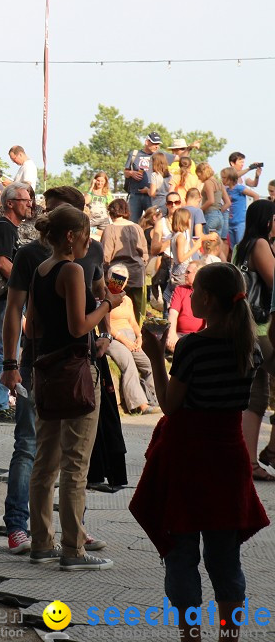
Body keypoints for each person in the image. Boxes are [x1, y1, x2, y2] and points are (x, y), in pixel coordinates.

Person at [130, 263, 268, 641]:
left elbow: (171, 406)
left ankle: (190, 635)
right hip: (228, 458)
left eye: (194, 293)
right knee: (224, 559)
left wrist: (156, 356)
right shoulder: (249, 347)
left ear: (206, 298)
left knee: (181, 554)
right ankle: (229, 635)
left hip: (189, 460)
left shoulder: (193, 347)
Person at [26, 204, 122, 570]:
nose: (88, 242)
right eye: (85, 235)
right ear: (71, 236)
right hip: (75, 372)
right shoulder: (71, 271)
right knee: (75, 465)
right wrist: (107, 305)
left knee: (44, 461)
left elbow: (32, 327)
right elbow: (80, 326)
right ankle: (72, 549)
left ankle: (41, 541)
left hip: (47, 370)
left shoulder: (40, 270)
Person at [232, 200, 275, 481]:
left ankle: (249, 461)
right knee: (257, 396)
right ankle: (270, 451)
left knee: (255, 397)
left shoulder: (240, 246)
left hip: (247, 328)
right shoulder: (260, 245)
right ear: (266, 219)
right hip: (263, 330)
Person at [0, 182, 34, 423]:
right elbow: (2, 263)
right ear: (10, 203)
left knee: (10, 347)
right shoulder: (5, 227)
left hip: (8, 295)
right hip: (6, 296)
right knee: (8, 349)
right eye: (25, 200)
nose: (30, 203)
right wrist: (25, 284)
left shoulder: (10, 227)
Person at [104, 272, 159, 415]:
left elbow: (133, 322)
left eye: (123, 279)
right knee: (129, 364)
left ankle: (153, 398)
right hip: (114, 337)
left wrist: (139, 336)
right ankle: (141, 405)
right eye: (117, 277)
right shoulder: (105, 297)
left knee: (148, 364)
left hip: (130, 336)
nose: (120, 282)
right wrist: (125, 341)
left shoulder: (127, 299)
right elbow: (106, 325)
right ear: (110, 279)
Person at [100, 198, 149, 321]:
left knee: (115, 309)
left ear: (111, 212)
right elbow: (145, 254)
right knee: (139, 310)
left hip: (117, 274)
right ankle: (139, 335)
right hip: (137, 273)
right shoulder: (137, 227)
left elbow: (106, 256)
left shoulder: (110, 229)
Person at [166, 261, 204, 352]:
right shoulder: (180, 290)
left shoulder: (205, 292)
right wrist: (172, 334)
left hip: (199, 336)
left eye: (188, 272)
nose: (185, 274)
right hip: (180, 335)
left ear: (198, 274)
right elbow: (173, 314)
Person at [124, 131, 160, 222]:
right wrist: (132, 173)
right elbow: (125, 172)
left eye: (158, 144)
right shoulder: (134, 154)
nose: (156, 146)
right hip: (135, 195)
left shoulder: (159, 155)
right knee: (132, 222)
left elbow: (178, 157)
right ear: (147, 142)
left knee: (153, 222)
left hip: (151, 195)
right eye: (154, 143)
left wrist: (189, 148)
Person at [224, 166, 260, 248]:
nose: (222, 180)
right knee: (233, 247)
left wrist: (252, 211)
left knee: (241, 245)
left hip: (240, 221)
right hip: (231, 222)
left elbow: (255, 195)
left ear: (230, 178)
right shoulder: (227, 190)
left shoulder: (239, 188)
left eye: (224, 178)